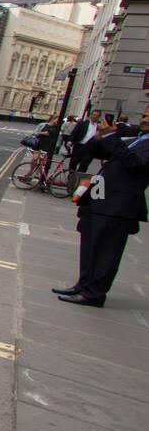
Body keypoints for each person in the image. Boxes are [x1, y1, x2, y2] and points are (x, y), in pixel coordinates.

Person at [54, 104, 149, 307]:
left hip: (120, 205)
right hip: (101, 196)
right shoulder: (133, 139)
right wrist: (100, 137)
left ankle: (94, 293)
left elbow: (134, 164)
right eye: (144, 115)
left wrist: (112, 139)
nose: (145, 120)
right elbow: (99, 153)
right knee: (90, 243)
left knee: (106, 250)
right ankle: (83, 285)